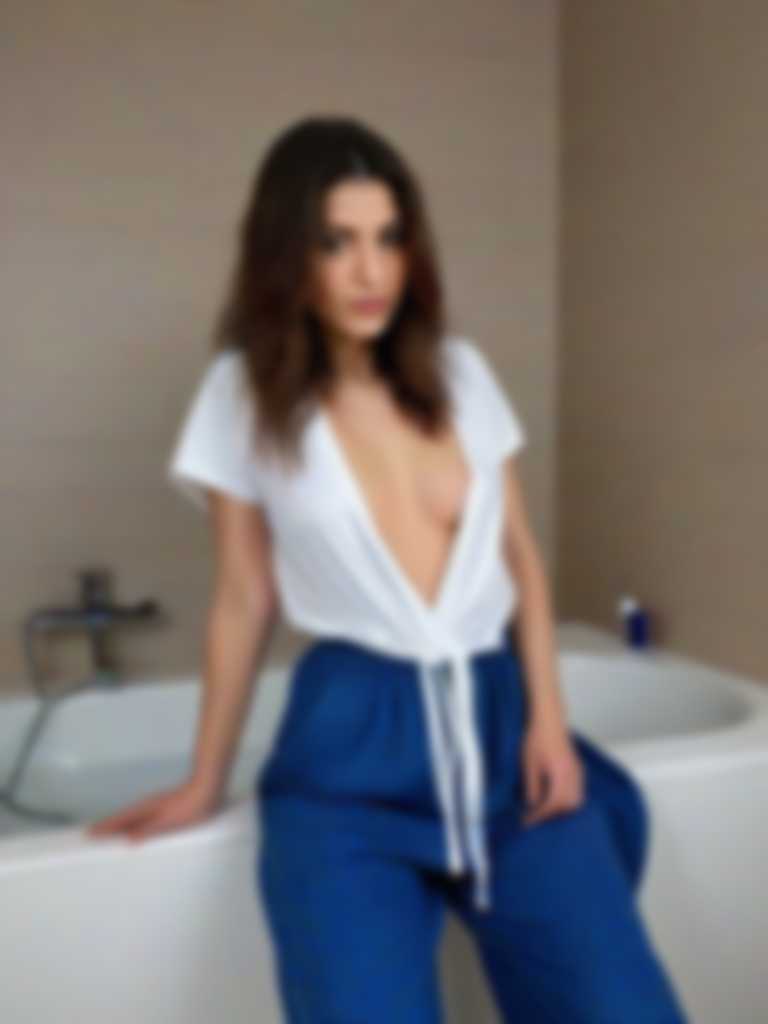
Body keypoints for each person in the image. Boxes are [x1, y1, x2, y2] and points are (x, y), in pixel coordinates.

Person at [87, 116, 689, 1022]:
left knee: (621, 1008)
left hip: (502, 732)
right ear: (287, 253)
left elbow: (521, 561)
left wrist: (549, 723)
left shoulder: (462, 374)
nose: (371, 272)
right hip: (350, 751)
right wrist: (206, 778)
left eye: (389, 238)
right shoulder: (241, 395)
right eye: (336, 243)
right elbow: (245, 598)